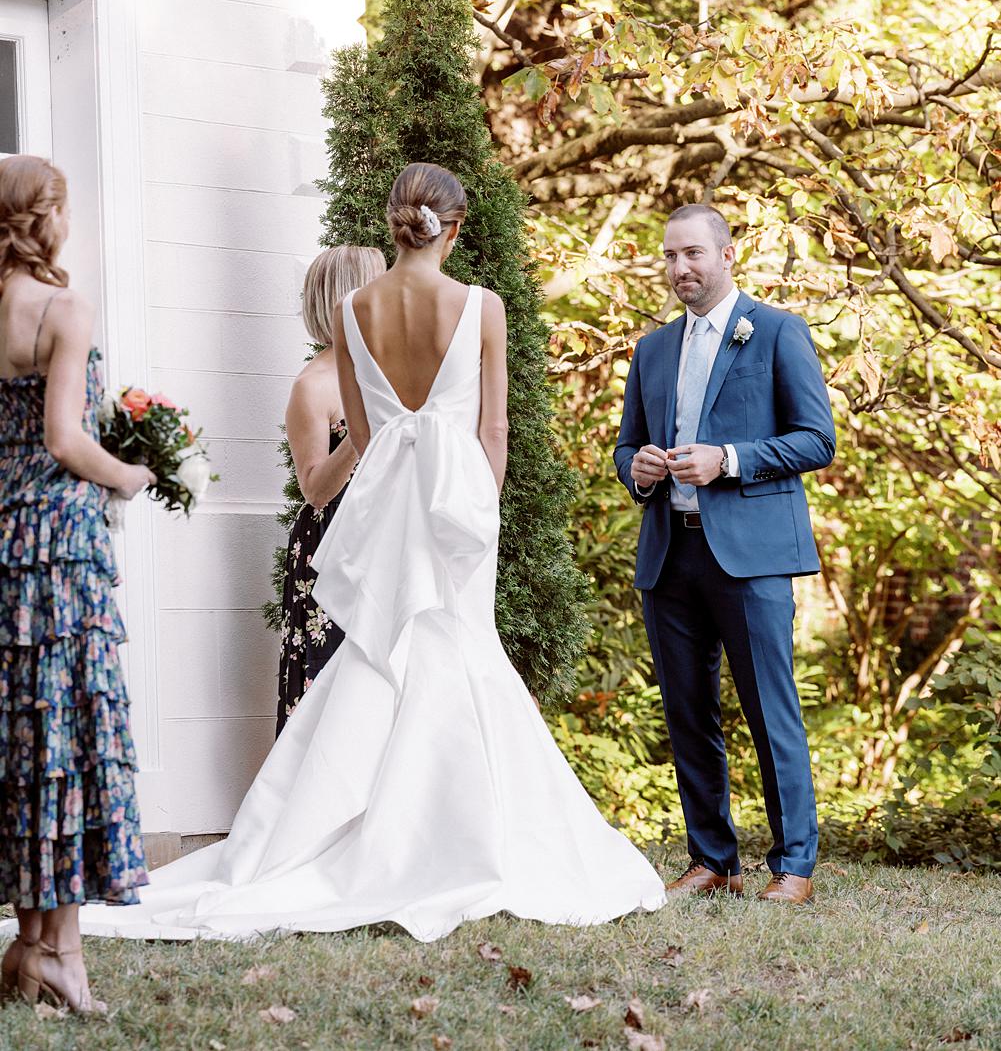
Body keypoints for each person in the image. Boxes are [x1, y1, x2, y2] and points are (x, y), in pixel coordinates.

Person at [77, 162, 665, 943]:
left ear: (395, 223)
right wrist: (479, 509)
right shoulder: (482, 306)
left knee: (381, 653)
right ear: (451, 228)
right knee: (457, 648)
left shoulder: (354, 309)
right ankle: (453, 839)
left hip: (385, 500)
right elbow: (494, 430)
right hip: (458, 503)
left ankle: (344, 835)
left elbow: (362, 429)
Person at [614, 203, 836, 906]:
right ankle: (712, 859)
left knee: (770, 710)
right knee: (687, 711)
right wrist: (637, 469)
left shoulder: (775, 332)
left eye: (693, 254)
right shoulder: (650, 351)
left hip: (751, 557)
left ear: (726, 254)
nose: (680, 268)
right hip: (669, 555)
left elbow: (816, 440)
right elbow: (625, 445)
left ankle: (792, 866)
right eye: (670, 257)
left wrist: (729, 459)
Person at [0, 155, 153, 1013]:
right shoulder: (63, 306)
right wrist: (125, 475)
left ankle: (31, 946)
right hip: (58, 550)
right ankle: (61, 958)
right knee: (63, 739)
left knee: (22, 748)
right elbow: (65, 437)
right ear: (47, 216)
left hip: (1, 547)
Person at [276, 244, 386, 735]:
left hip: (389, 541)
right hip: (332, 552)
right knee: (329, 699)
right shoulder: (312, 386)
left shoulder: (393, 371)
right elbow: (315, 489)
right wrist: (360, 434)